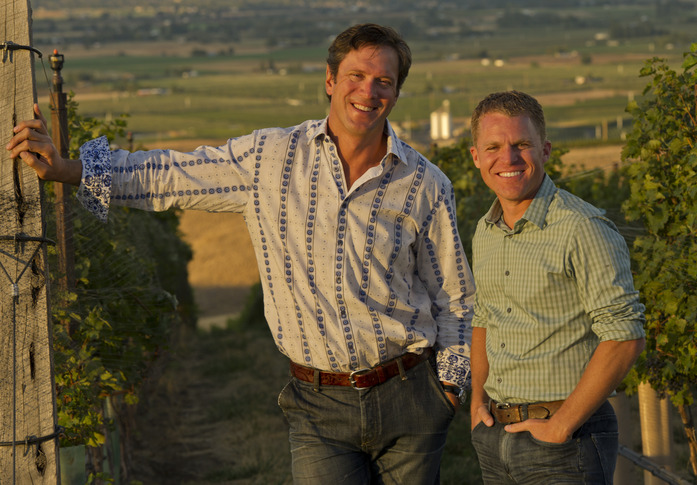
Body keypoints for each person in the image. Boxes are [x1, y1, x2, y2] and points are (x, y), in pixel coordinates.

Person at [7, 24, 474, 484]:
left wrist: (447, 392)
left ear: (396, 93)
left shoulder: (425, 183)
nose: (368, 91)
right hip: (318, 403)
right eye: (356, 76)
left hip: (410, 394)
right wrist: (69, 169)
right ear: (330, 81)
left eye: (383, 82)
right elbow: (171, 174)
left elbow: (455, 299)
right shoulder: (270, 158)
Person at [467, 91, 646, 485]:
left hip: (566, 440)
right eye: (493, 147)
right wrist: (478, 399)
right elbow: (484, 318)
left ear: (545, 150)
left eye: (522, 145)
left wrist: (561, 425)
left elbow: (624, 335)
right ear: (476, 156)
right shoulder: (485, 229)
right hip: (495, 435)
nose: (508, 158)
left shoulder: (582, 227)